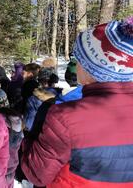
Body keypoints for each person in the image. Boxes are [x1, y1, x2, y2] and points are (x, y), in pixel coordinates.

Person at [22, 17, 133, 187]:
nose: (75, 65)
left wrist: (29, 139)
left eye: (78, 59)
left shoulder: (64, 117)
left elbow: (37, 174)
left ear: (92, 69)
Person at [24, 67, 62, 132]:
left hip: (39, 134)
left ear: (43, 81)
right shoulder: (63, 97)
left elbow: (29, 122)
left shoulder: (33, 99)